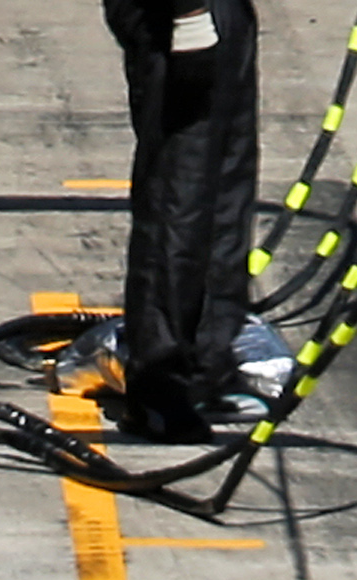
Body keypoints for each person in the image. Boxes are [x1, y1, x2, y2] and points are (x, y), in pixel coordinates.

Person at [98, 0, 261, 442]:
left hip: (219, 15)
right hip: (180, 15)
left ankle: (204, 363)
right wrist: (188, 17)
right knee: (179, 194)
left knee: (223, 191)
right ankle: (159, 382)